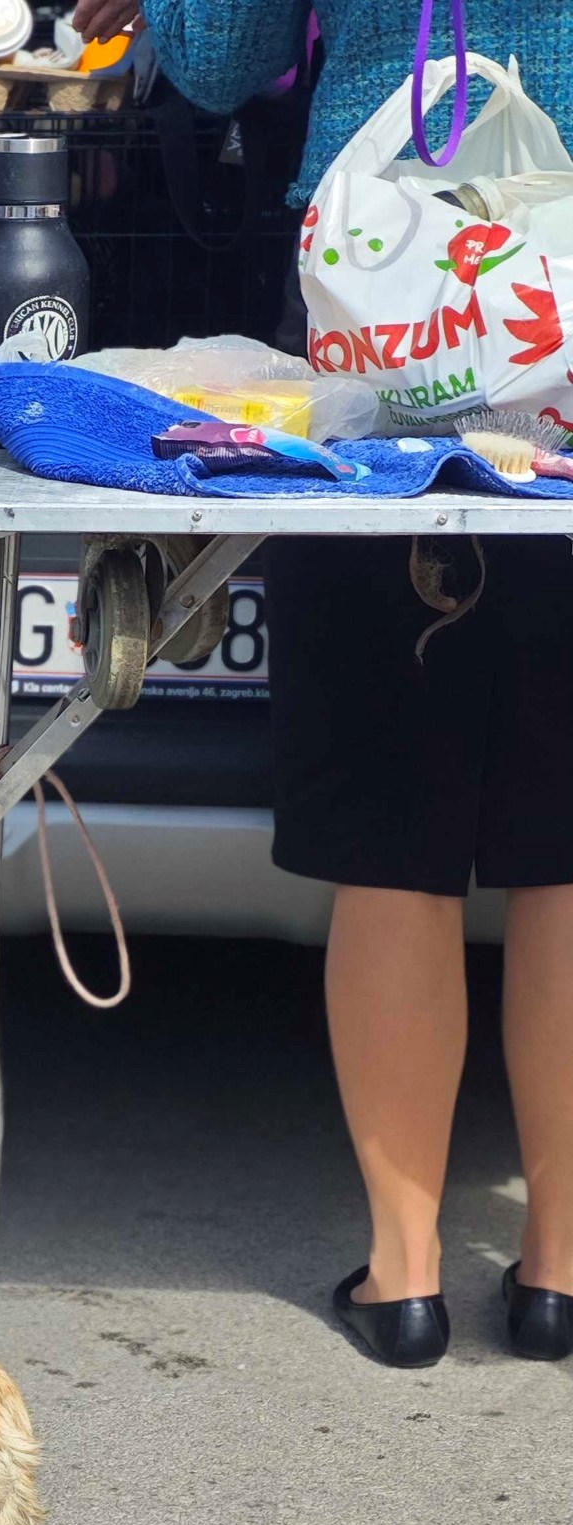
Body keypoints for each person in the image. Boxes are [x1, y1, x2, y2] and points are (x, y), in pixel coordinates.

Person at [69, 0, 573, 1366]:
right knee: (568, 837)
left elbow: (223, 57)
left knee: (395, 831)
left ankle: (406, 1280)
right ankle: (558, 1269)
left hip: (390, 311)